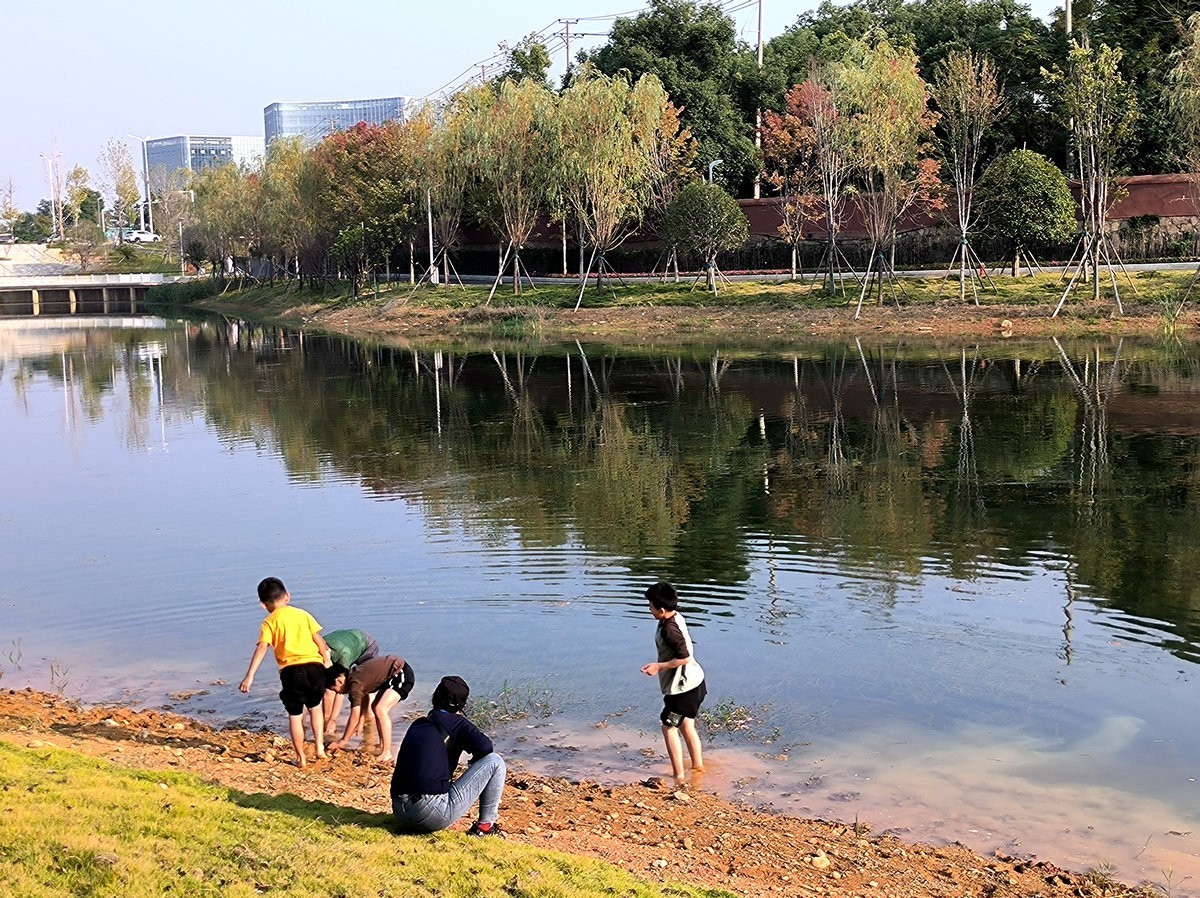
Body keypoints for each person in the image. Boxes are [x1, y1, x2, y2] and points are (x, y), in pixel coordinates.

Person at [391, 675, 506, 836]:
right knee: (495, 761)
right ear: (462, 705)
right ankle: (485, 828)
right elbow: (486, 747)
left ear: (435, 697)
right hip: (429, 814)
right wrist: (474, 761)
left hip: (399, 811)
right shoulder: (457, 722)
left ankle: (414, 822)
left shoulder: (418, 723)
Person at [238, 576, 329, 768]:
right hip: (315, 666)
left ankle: (301, 758)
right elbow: (319, 641)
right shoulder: (303, 614)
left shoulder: (269, 622)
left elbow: (262, 648)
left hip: (291, 671)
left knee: (295, 715)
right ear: (287, 596)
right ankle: (320, 748)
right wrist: (327, 661)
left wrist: (250, 676)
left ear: (263, 604)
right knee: (315, 707)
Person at [640, 580, 706, 786]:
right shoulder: (675, 616)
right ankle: (698, 767)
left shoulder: (670, 630)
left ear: (661, 609)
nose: (649, 610)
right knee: (687, 724)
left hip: (682, 689)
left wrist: (658, 666)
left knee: (668, 726)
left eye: (650, 606)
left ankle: (678, 776)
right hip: (696, 683)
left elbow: (684, 657)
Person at [326, 655, 414, 761]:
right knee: (375, 707)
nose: (337, 692)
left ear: (339, 680)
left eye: (334, 689)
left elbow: (354, 715)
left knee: (380, 709)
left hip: (400, 672)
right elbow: (364, 698)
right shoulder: (354, 678)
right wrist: (361, 721)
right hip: (392, 675)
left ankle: (387, 752)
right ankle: (383, 748)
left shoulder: (354, 684)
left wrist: (343, 740)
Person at [321, 628, 379, 736]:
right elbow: (329, 689)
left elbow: (341, 690)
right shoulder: (319, 654)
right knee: (329, 687)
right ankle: (326, 723)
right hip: (346, 642)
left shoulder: (343, 656)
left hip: (365, 645)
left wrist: (333, 719)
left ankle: (369, 723)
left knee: (365, 686)